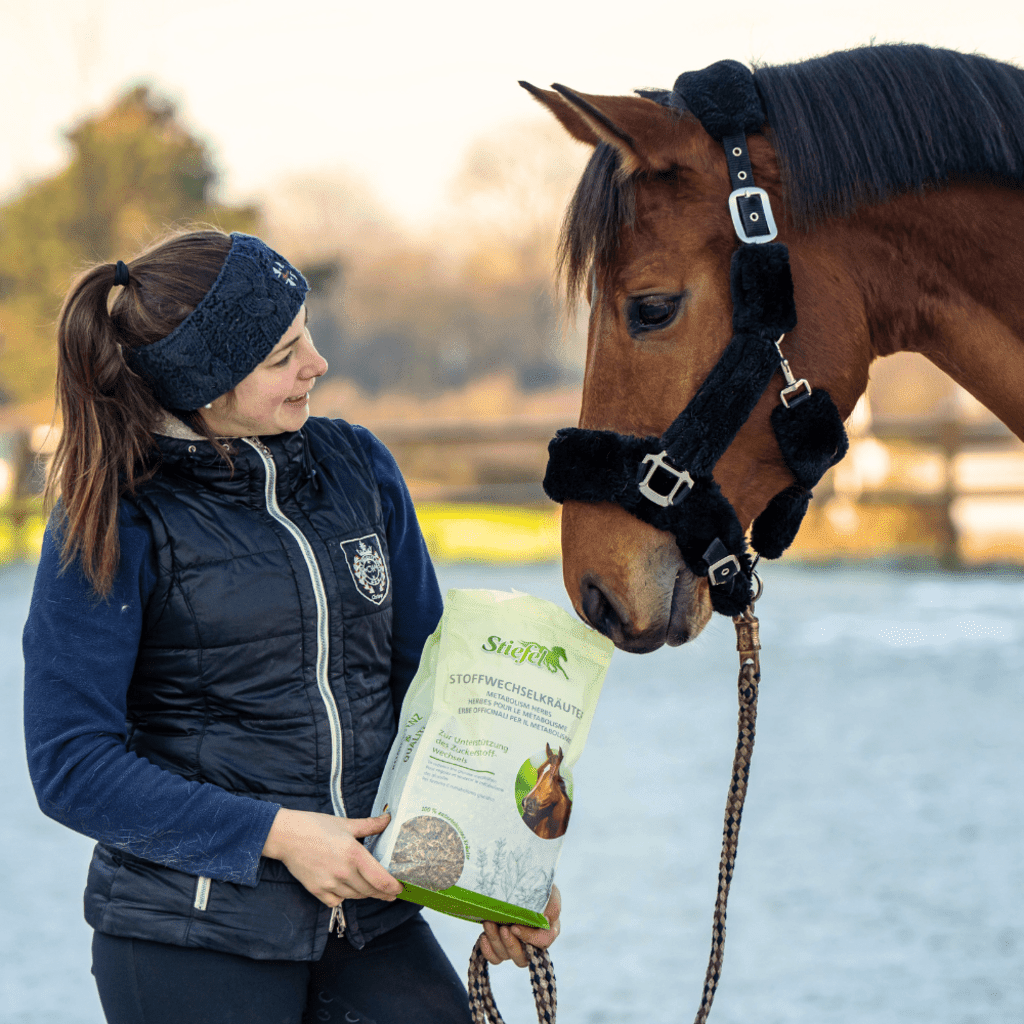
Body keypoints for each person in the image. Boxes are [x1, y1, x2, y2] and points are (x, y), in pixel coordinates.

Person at [22, 229, 560, 1024]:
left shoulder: (359, 466)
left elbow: (434, 695)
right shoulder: (114, 515)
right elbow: (71, 763)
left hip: (370, 915)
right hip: (190, 933)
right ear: (205, 383)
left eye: (306, 334)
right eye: (283, 354)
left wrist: (498, 875)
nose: (318, 363)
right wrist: (277, 835)